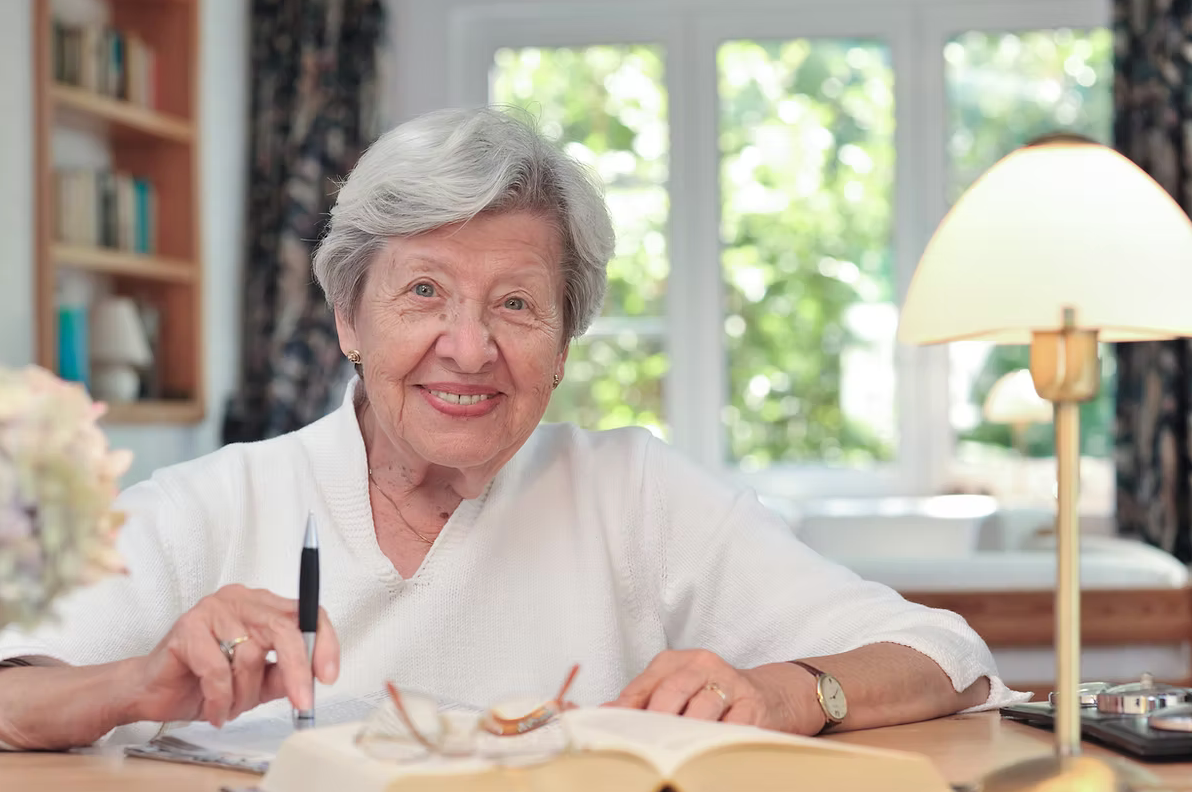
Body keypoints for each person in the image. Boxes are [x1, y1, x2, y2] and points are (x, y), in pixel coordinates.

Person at [0, 107, 1025, 751]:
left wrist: (794, 691)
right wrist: (140, 683)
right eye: (424, 292)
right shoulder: (215, 502)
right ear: (349, 319)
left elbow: (943, 652)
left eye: (517, 306)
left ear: (566, 340)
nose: (468, 346)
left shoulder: (630, 491)